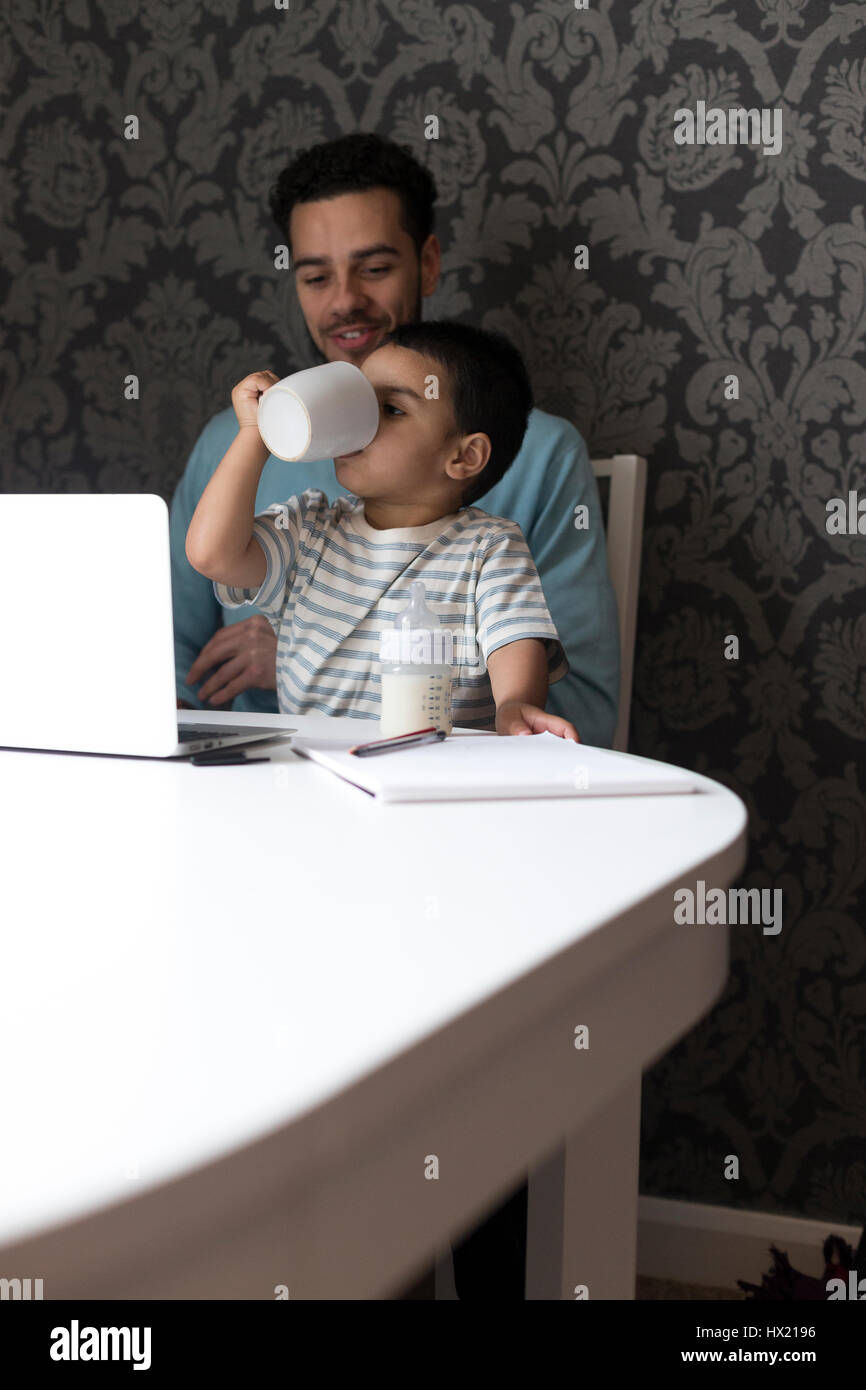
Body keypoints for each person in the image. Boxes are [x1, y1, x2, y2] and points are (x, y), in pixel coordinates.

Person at [170, 131, 620, 1299]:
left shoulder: (521, 474)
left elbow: (578, 699)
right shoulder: (245, 454)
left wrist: (479, 685)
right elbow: (177, 664)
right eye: (314, 273)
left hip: (460, 844)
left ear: (424, 260)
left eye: (372, 267)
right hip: (287, 831)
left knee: (457, 1052)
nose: (343, 300)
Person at [185, 321, 579, 741]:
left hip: (441, 776)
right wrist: (253, 436)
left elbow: (514, 638)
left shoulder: (489, 547)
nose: (362, 422)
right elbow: (212, 554)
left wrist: (516, 703)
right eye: (358, 402)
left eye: (391, 409)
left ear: (464, 456)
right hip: (316, 766)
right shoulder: (308, 529)